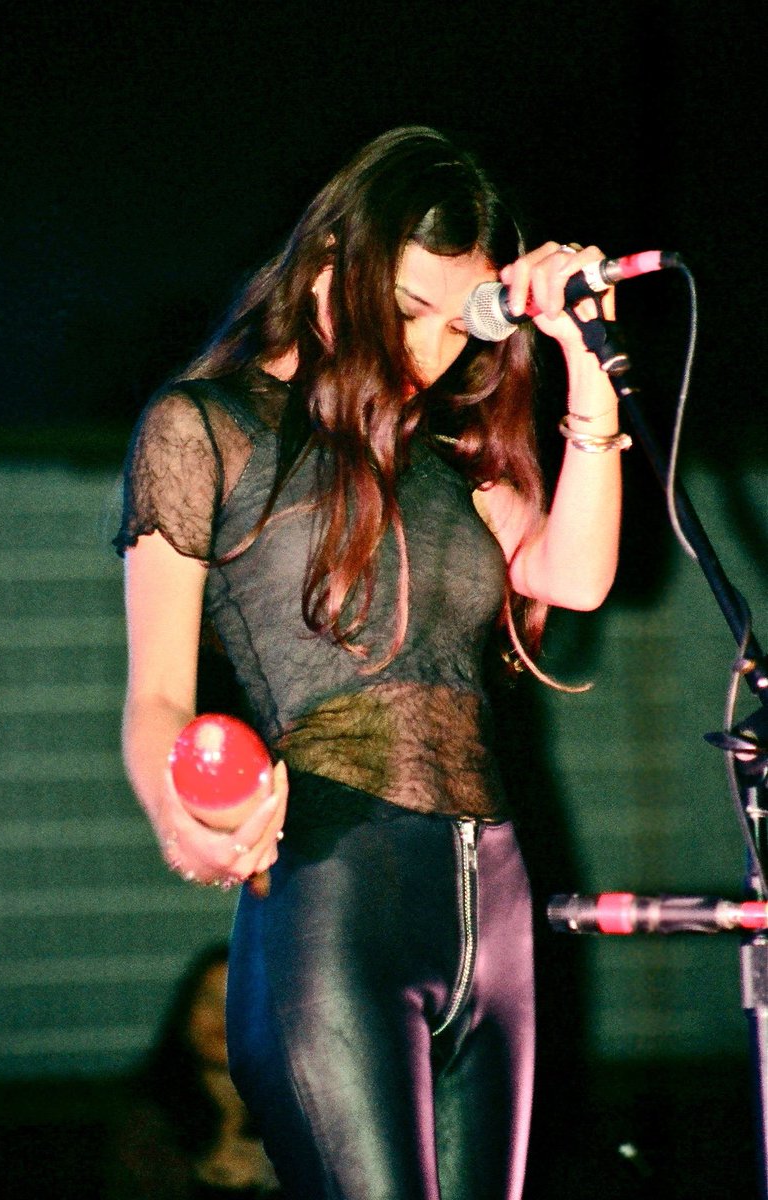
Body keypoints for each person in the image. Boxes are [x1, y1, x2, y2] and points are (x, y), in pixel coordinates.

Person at [114, 125, 624, 1200]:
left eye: (460, 321)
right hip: (336, 894)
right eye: (407, 310)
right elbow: (157, 691)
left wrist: (587, 364)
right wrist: (180, 813)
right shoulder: (205, 427)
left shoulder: (453, 457)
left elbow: (572, 578)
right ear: (332, 264)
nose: (432, 350)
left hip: (499, 906)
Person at [104, 942, 282, 1199]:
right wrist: (203, 1178)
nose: (223, 1016)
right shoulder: (146, 1114)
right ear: (186, 1014)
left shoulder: (305, 1112)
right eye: (209, 1000)